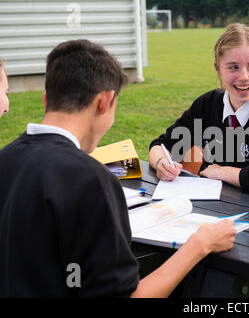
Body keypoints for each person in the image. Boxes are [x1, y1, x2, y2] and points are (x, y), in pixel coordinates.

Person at [0, 39, 236, 297]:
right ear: (104, 102)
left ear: (47, 100)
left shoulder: (6, 158)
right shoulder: (91, 180)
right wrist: (200, 245)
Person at [149, 23, 249, 195]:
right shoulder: (208, 104)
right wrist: (162, 163)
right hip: (218, 209)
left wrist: (221, 172)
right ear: (217, 69)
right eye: (233, 67)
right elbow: (161, 145)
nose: (244, 77)